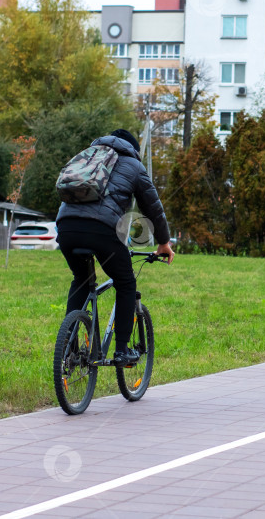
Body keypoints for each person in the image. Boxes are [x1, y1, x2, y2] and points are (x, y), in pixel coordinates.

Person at [56, 129, 174, 367]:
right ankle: (122, 350)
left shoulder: (89, 155)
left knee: (81, 278)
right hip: (101, 229)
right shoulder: (133, 165)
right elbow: (153, 208)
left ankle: (68, 348)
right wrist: (163, 242)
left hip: (66, 227)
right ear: (132, 148)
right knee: (126, 282)